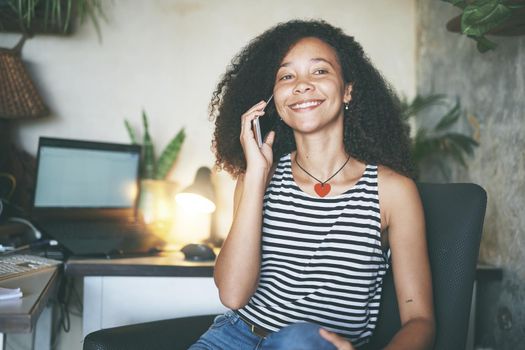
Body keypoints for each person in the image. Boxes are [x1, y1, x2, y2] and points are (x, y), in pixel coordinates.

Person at [190, 19, 435, 350]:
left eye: (319, 72)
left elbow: (419, 320)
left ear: (348, 90)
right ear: (273, 99)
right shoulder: (256, 177)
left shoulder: (393, 192)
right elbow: (233, 294)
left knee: (299, 339)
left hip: (310, 345)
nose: (301, 85)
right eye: (286, 76)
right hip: (231, 338)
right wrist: (256, 177)